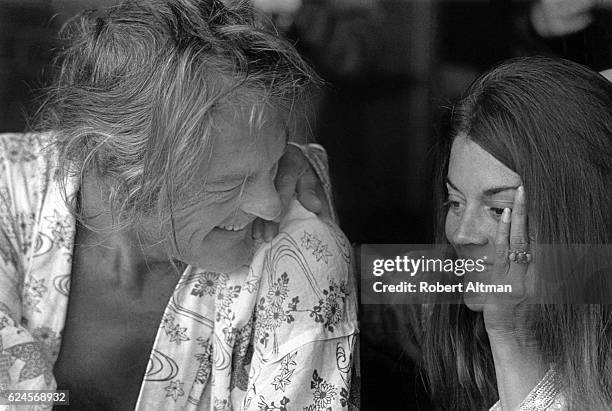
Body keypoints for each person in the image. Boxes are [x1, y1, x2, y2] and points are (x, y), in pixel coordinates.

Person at [0, 0, 358, 409]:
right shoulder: (10, 194)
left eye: (274, 162)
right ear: (111, 166)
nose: (271, 205)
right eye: (228, 184)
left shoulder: (297, 253)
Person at [421, 56, 612, 410]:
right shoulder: (452, 318)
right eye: (456, 202)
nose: (462, 234)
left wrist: (512, 339)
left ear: (583, 215)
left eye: (500, 210)